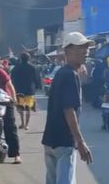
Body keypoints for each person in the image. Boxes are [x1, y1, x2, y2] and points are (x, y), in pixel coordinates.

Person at [42, 32, 94, 184]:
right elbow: (68, 110)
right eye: (80, 47)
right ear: (68, 50)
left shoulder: (62, 73)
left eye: (86, 47)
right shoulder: (70, 75)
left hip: (50, 140)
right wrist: (80, 141)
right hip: (64, 142)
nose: (85, 51)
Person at [10, 53, 42, 130]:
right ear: (29, 58)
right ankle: (26, 125)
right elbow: (37, 78)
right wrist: (38, 86)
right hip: (29, 90)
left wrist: (14, 87)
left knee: (20, 107)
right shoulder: (33, 67)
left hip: (19, 90)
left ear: (20, 58)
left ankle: (22, 123)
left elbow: (12, 78)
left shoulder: (16, 67)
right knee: (28, 108)